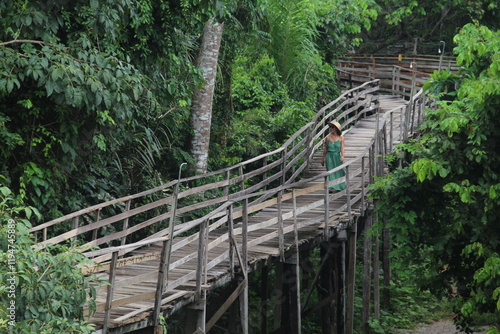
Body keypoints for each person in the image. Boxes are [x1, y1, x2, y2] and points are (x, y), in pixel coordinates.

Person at [321, 121, 346, 191]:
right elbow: (325, 148)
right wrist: (322, 159)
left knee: (339, 171)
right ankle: (331, 187)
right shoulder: (328, 138)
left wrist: (343, 156)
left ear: (336, 129)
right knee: (330, 171)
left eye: (333, 127)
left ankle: (339, 185)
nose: (331, 128)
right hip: (329, 156)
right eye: (330, 127)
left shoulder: (341, 138)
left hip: (337, 156)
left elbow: (342, 147)